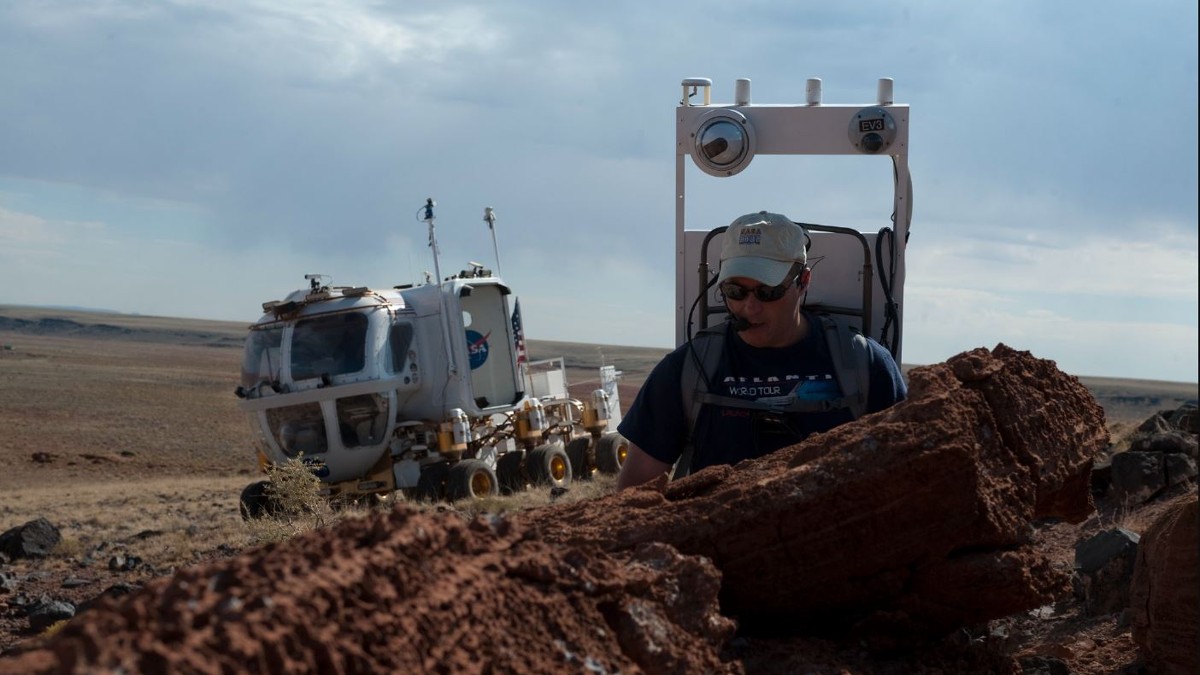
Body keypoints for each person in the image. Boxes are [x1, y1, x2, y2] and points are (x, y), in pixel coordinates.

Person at [616, 211, 908, 490]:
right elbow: (635, 493)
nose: (750, 307)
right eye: (735, 291)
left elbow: (905, 476)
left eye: (768, 292)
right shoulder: (686, 370)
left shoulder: (864, 365)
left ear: (803, 281)